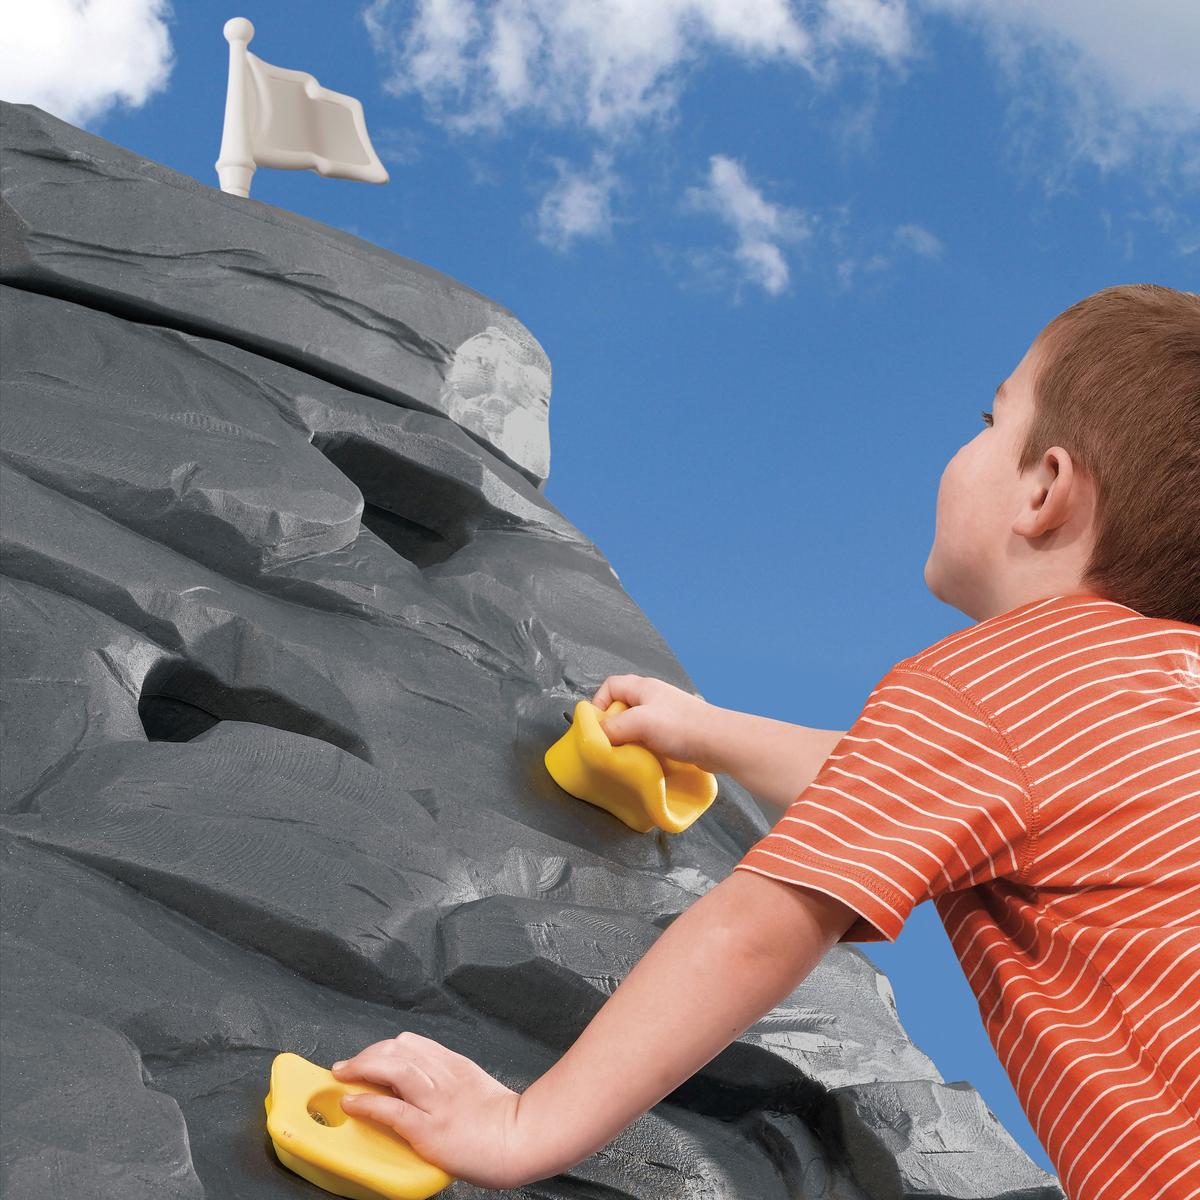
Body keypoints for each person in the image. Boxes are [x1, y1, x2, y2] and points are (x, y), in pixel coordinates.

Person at [330, 284, 1200, 1200]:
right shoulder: (1144, 701)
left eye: (993, 418)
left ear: (1046, 489)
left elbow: (762, 928)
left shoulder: (1004, 679)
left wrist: (524, 1124)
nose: (971, 438)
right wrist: (709, 733)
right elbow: (933, 792)